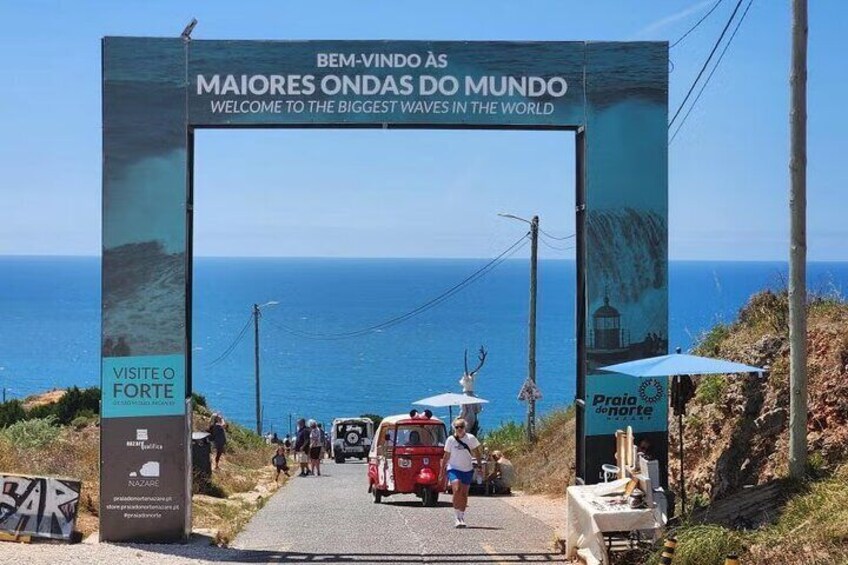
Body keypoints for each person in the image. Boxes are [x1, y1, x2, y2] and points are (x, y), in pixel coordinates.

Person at [440, 418, 482, 528]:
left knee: (464, 493)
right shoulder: (450, 440)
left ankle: (462, 516)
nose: (459, 429)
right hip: (454, 468)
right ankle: (457, 517)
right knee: (457, 489)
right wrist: (441, 471)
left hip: (467, 469)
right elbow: (446, 456)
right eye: (457, 427)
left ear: (465, 427)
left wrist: (479, 466)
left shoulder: (471, 438)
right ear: (454, 428)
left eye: (461, 427)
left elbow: (477, 452)